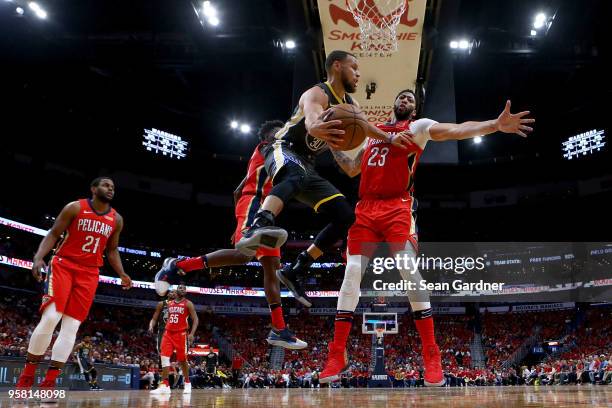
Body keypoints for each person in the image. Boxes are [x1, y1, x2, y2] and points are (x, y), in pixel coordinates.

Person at [318, 89, 534, 386]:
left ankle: (431, 353)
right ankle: (336, 352)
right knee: (352, 272)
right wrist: (332, 145)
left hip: (397, 207)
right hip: (365, 208)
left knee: (408, 269)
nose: (405, 100)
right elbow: (352, 168)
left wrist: (493, 125)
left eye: (411, 99)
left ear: (415, 110)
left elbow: (455, 131)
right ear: (394, 103)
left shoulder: (416, 128)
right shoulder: (371, 134)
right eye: (402, 96)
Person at [235, 50, 411, 307]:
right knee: (294, 173)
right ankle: (259, 223)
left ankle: (296, 268)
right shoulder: (317, 92)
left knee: (345, 215)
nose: (359, 73)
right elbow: (311, 119)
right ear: (337, 66)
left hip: (306, 164)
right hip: (283, 148)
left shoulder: (351, 105)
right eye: (354, 67)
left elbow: (365, 125)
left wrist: (390, 138)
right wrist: (317, 126)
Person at [154, 121, 306, 350]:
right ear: (266, 137)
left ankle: (279, 328)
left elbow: (236, 190)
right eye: (278, 132)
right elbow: (243, 191)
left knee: (271, 267)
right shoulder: (267, 148)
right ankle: (177, 265)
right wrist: (244, 217)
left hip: (265, 211)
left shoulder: (270, 157)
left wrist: (238, 225)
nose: (282, 136)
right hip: (254, 203)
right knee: (243, 256)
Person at [15, 177, 132, 393]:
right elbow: (54, 233)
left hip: (89, 273)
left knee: (71, 327)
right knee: (51, 318)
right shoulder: (75, 207)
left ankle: (49, 381)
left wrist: (122, 273)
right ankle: (26, 376)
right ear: (94, 188)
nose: (110, 189)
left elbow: (112, 250)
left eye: (113, 187)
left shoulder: (117, 219)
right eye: (106, 185)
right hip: (64, 265)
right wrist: (38, 257)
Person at [150, 284, 198, 395]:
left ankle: (187, 383)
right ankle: (165, 385)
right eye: (180, 288)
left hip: (180, 334)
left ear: (185, 292)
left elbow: (195, 319)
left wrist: (192, 333)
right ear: (176, 290)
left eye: (184, 288)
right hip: (167, 333)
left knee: (182, 360)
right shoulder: (170, 304)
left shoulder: (188, 304)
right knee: (164, 357)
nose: (182, 289)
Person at [149, 290, 177, 356]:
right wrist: (151, 326)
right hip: (163, 330)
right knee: (161, 352)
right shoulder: (161, 304)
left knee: (172, 353)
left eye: (175, 293)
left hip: (174, 332)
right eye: (172, 292)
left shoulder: (180, 305)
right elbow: (154, 318)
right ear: (167, 294)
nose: (173, 294)